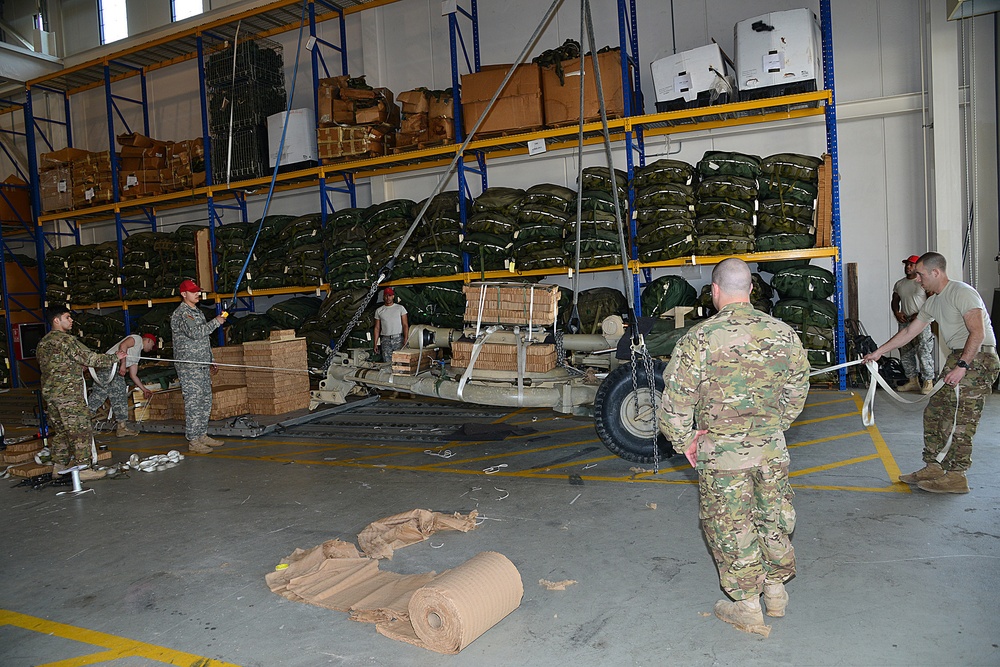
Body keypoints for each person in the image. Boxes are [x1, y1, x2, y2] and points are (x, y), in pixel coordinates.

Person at [658, 258, 810, 633]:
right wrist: (772, 428)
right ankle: (776, 592)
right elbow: (798, 390)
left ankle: (747, 606)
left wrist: (684, 441)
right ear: (751, 289)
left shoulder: (699, 338)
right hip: (770, 448)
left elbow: (676, 402)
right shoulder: (783, 333)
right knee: (772, 517)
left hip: (722, 453)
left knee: (730, 525)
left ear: (714, 291)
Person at [864, 252, 999, 494]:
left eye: (920, 274)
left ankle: (957, 475)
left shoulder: (961, 292)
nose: (917, 279)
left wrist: (962, 366)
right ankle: (934, 466)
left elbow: (977, 333)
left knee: (961, 419)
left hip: (977, 358)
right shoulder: (934, 301)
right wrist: (878, 352)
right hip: (958, 358)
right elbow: (908, 333)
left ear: (936, 272)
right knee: (935, 411)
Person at [37, 305, 127, 481]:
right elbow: (90, 358)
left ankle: (59, 466)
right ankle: (84, 468)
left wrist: (75, 366)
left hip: (51, 395)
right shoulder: (66, 340)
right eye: (67, 317)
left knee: (62, 432)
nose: (71, 321)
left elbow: (56, 366)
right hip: (68, 395)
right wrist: (116, 357)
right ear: (56, 320)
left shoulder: (43, 343)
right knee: (81, 430)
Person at [171, 279, 227, 454]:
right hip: (189, 366)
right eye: (193, 291)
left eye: (197, 291)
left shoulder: (197, 312)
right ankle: (193, 440)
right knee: (194, 402)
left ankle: (202, 434)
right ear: (183, 294)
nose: (197, 294)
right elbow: (196, 333)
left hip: (201, 364)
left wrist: (210, 359)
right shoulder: (182, 314)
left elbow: (204, 340)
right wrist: (216, 322)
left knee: (205, 400)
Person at [87, 333, 157, 436]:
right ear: (148, 340)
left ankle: (83, 425)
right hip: (111, 366)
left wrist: (144, 389)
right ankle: (121, 427)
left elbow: (134, 375)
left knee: (99, 396)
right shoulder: (137, 339)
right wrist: (123, 365)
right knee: (117, 396)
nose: (151, 349)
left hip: (112, 369)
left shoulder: (137, 355)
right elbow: (123, 346)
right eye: (152, 345)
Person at [891, 255, 935, 393]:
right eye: (906, 264)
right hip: (906, 322)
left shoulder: (923, 283)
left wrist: (921, 314)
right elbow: (894, 300)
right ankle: (912, 381)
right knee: (905, 351)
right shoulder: (900, 284)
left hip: (922, 322)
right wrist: (897, 313)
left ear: (917, 267)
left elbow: (932, 300)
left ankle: (928, 381)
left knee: (923, 350)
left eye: (911, 265)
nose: (908, 267)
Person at [373, 287, 409, 363]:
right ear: (383, 297)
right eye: (386, 295)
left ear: (393, 296)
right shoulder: (379, 310)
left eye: (390, 295)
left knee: (400, 361)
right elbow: (377, 328)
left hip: (398, 339)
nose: (388, 298)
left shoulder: (400, 308)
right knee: (387, 362)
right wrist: (375, 343)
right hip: (386, 340)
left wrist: (406, 339)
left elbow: (405, 325)